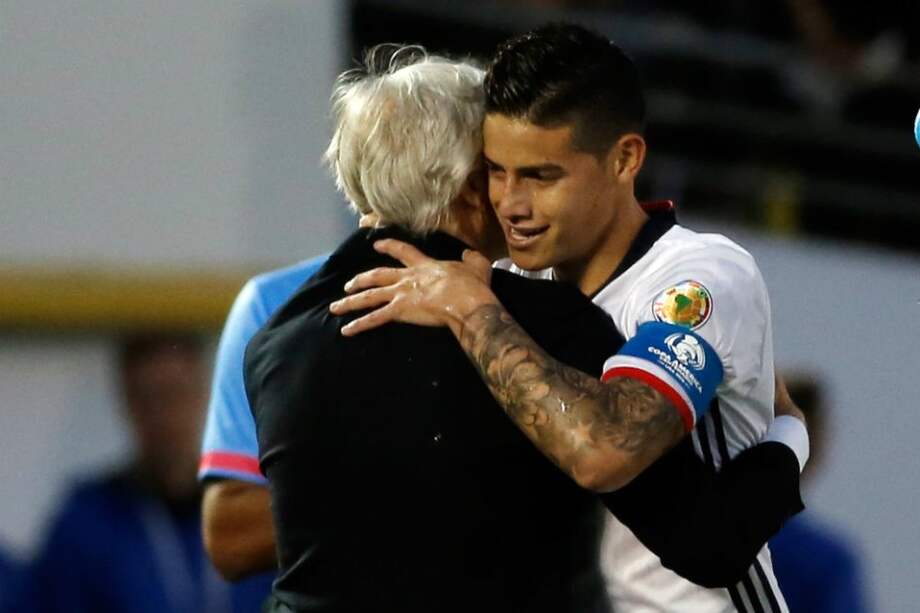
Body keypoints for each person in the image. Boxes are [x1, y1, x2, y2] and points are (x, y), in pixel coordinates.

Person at [241, 45, 804, 612]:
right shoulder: (538, 314)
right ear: (467, 184)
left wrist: (469, 306)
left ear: (625, 160)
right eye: (497, 171)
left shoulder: (276, 342)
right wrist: (790, 434)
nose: (512, 203)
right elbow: (702, 537)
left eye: (538, 175)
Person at [15, 334, 271, 613]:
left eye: (176, 393)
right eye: (150, 398)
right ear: (128, 402)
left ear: (203, 394)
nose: (166, 415)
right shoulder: (88, 522)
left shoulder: (257, 513)